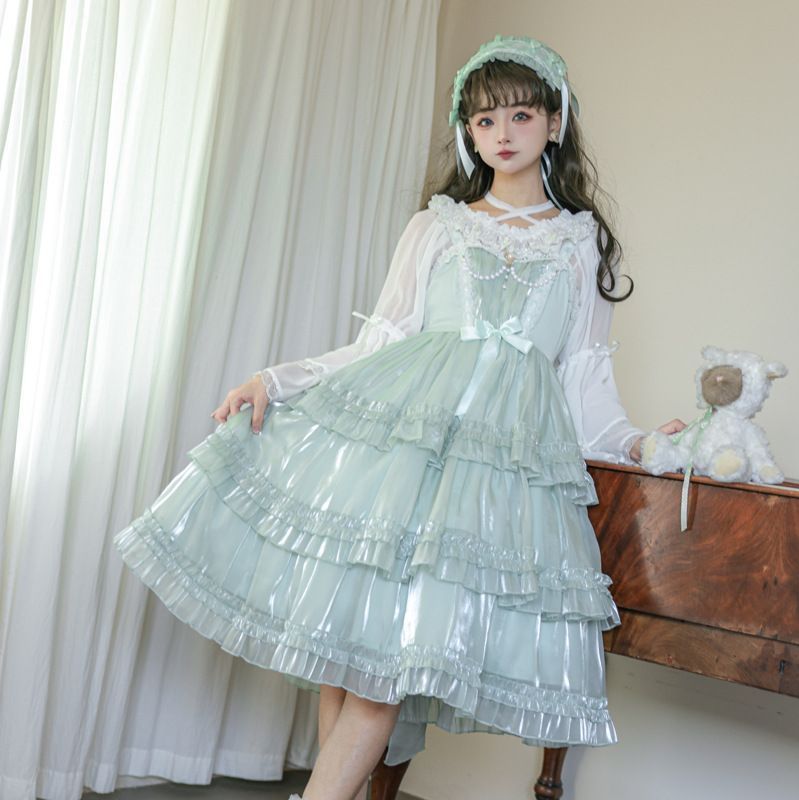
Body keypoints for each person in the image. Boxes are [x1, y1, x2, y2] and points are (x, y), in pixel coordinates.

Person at [114, 34, 685, 800]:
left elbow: (584, 385)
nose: (503, 134)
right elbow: (377, 344)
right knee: (349, 665)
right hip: (397, 463)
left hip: (480, 493)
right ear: (468, 132)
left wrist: (641, 443)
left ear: (555, 123)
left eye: (521, 115)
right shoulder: (437, 227)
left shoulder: (580, 245)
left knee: (376, 679)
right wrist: (275, 380)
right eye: (485, 120)